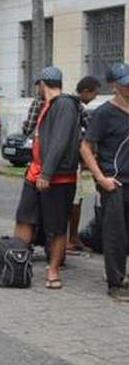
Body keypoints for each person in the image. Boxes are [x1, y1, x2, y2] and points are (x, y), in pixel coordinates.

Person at [13, 66, 81, 290]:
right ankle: (16, 262)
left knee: (57, 227)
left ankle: (53, 270)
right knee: (24, 217)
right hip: (36, 173)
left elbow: (60, 141)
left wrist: (47, 173)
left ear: (42, 84)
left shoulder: (64, 105)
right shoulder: (48, 105)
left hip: (56, 178)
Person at [80, 64, 129, 300]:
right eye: (124, 82)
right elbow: (86, 147)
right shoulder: (104, 113)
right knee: (116, 234)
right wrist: (101, 178)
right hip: (115, 182)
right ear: (113, 85)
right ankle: (116, 283)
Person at [67, 76, 101, 251]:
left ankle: (70, 238)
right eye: (94, 93)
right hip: (73, 164)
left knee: (76, 200)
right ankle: (70, 239)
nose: (95, 97)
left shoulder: (74, 106)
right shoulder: (74, 107)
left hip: (73, 163)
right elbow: (83, 137)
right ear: (86, 91)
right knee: (74, 202)